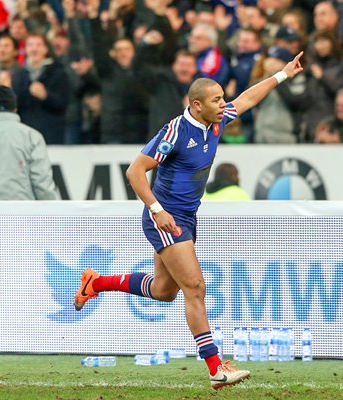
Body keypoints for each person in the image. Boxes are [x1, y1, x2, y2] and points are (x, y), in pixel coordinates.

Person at [74, 52, 304, 390]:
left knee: (164, 290)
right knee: (195, 288)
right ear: (197, 105)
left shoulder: (217, 119)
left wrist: (282, 75)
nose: (224, 104)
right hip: (165, 219)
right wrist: (157, 210)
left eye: (222, 97)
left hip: (185, 217)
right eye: (216, 99)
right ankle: (215, 369)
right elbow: (135, 171)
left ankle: (95, 283)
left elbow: (247, 99)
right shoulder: (176, 132)